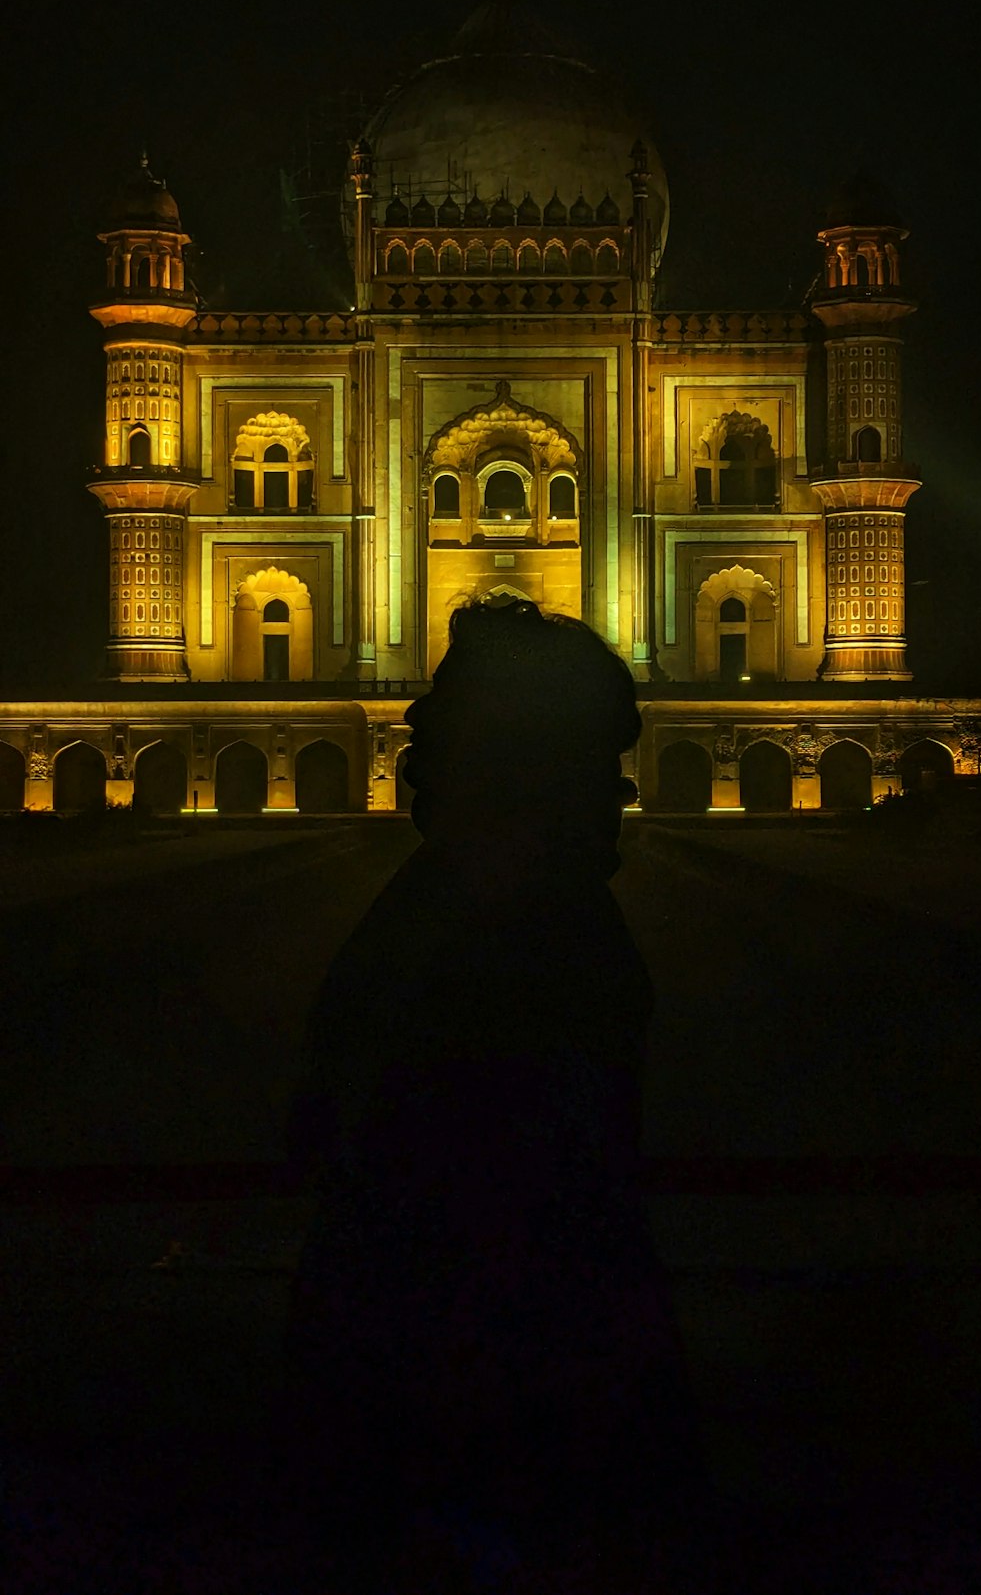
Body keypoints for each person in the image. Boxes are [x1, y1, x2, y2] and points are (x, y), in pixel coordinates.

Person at [285, 598, 713, 1592]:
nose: (415, 738)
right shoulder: (525, 913)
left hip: (464, 1394)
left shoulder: (496, 922)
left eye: (440, 719)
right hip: (524, 1381)